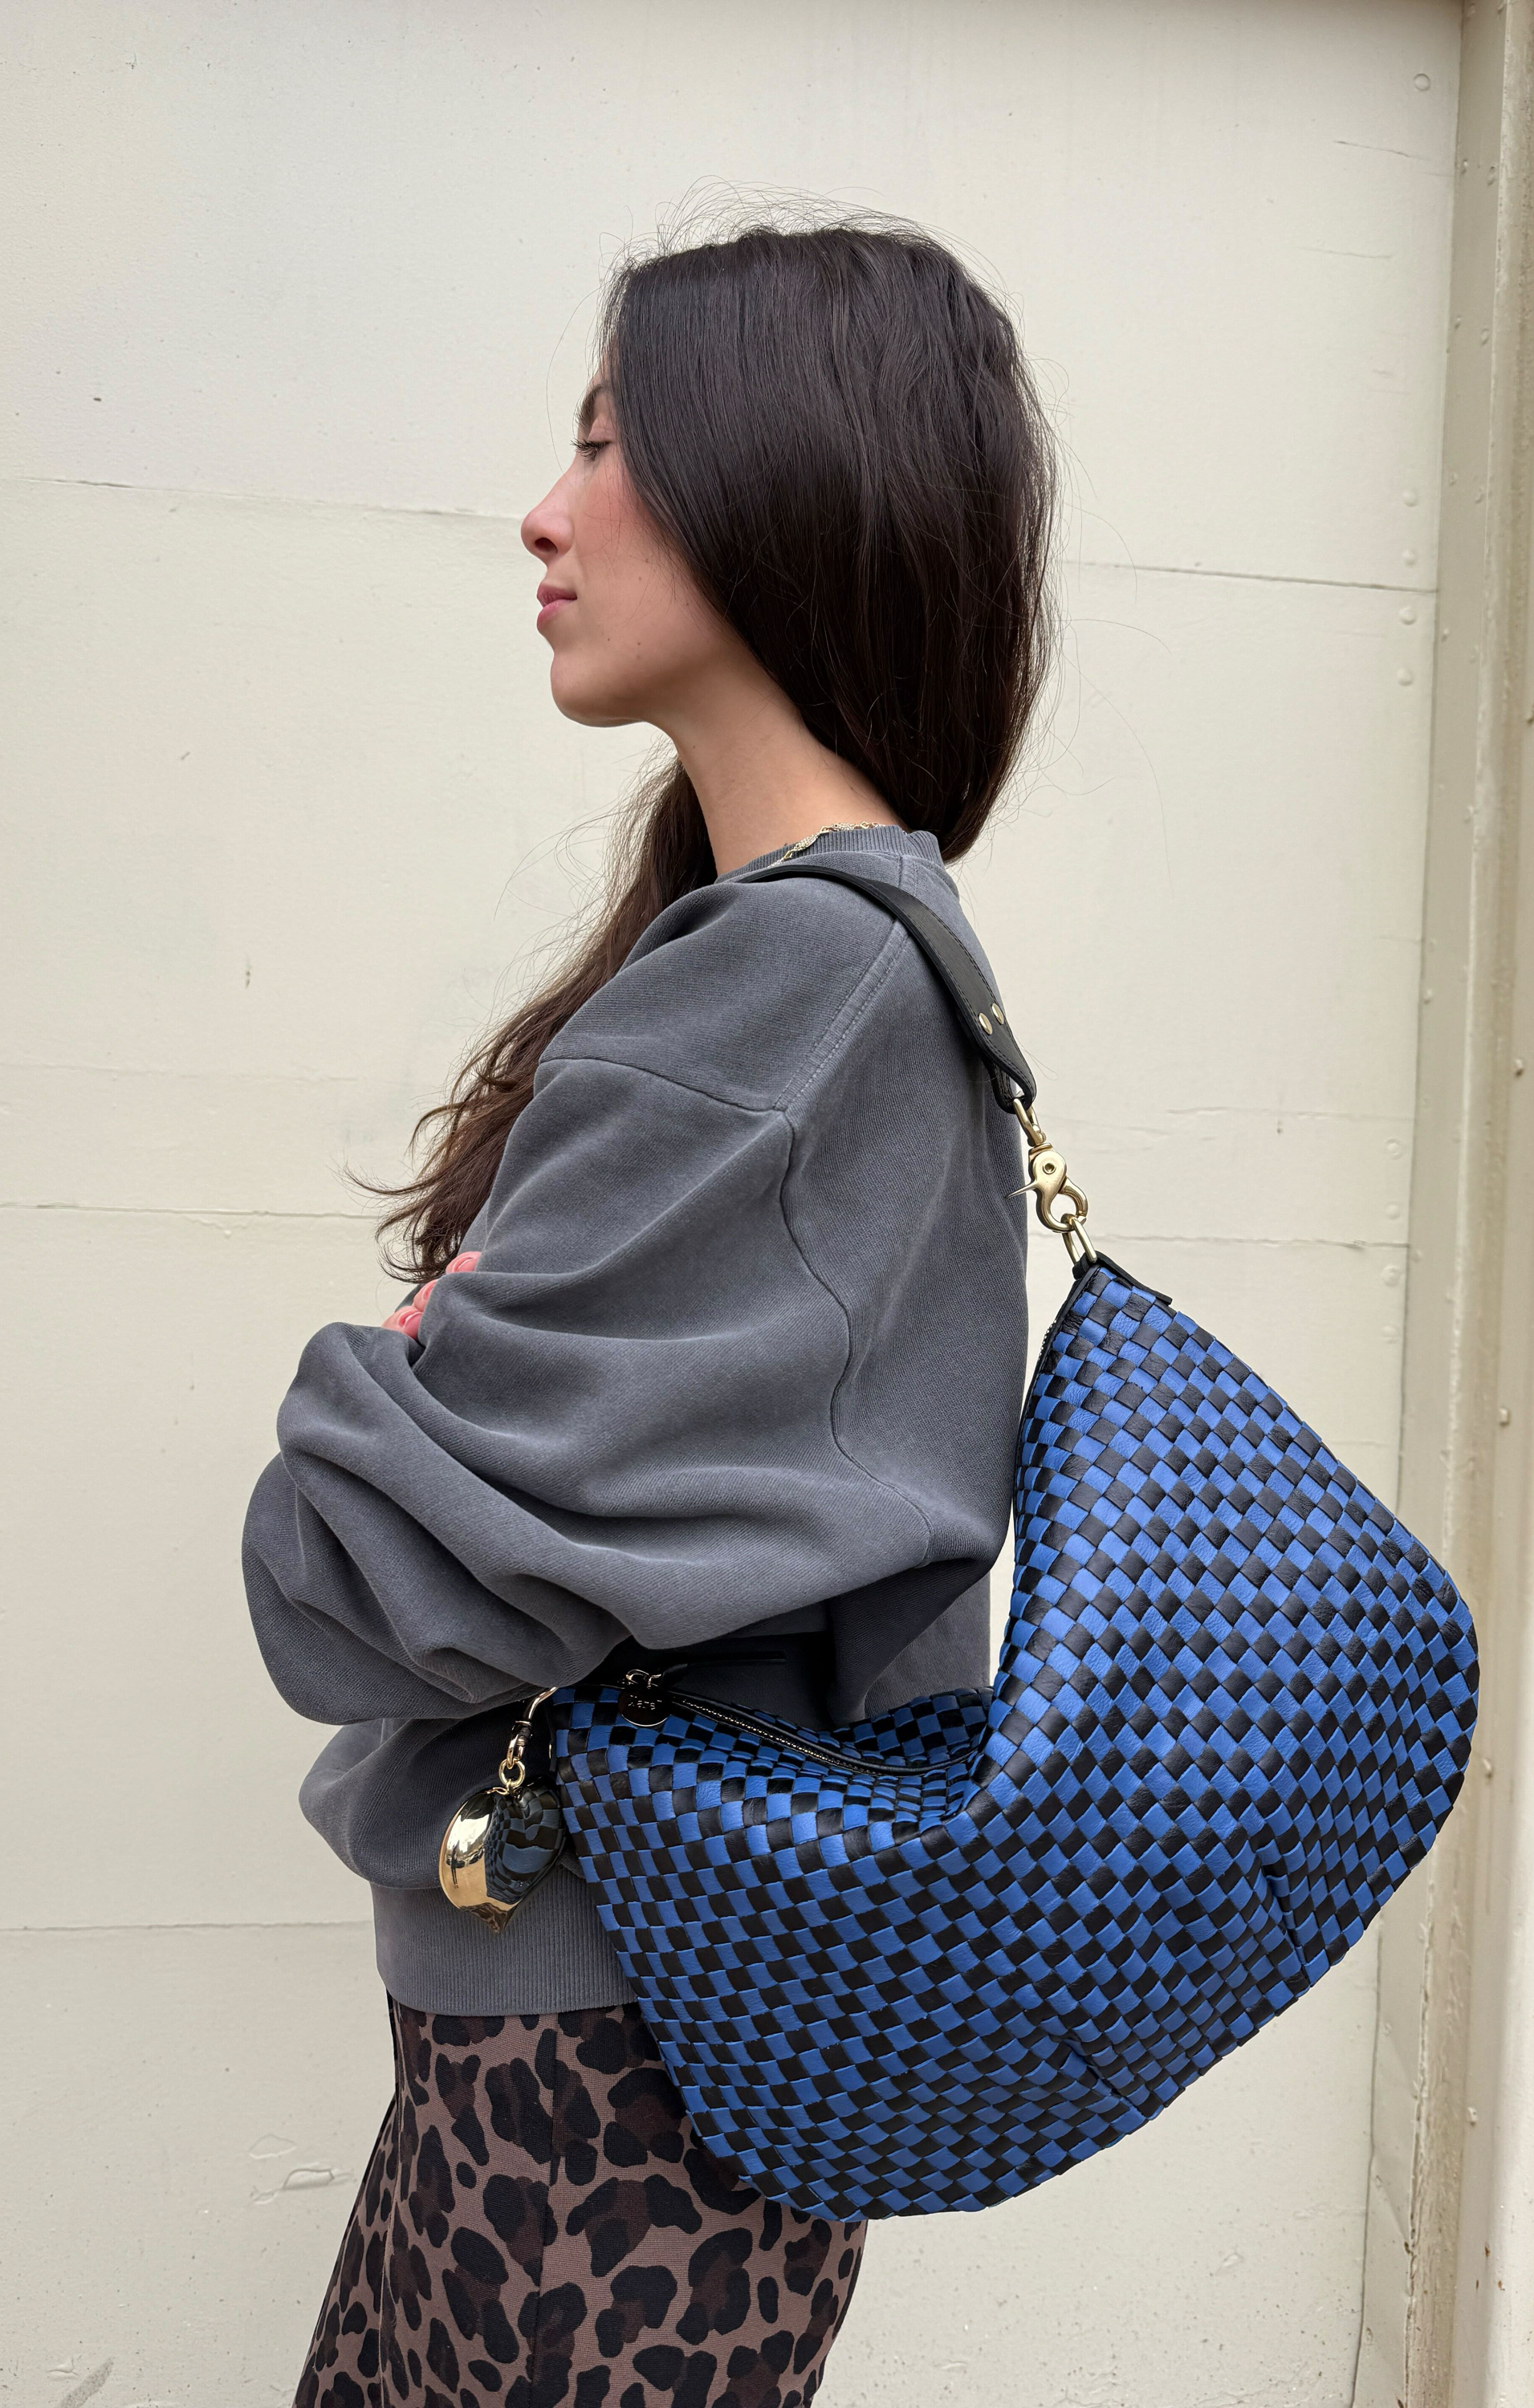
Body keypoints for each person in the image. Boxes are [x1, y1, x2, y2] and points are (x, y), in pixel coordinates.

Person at [243, 215, 1058, 2408]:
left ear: (787, 487)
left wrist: (359, 1408)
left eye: (611, 442)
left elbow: (360, 1585)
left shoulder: (793, 988)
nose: (546, 505)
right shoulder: (839, 972)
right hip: (652, 2048)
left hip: (613, 2082)